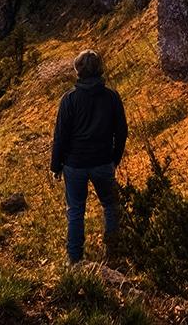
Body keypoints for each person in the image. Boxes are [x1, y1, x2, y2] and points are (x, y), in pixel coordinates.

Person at [50, 48, 128, 265]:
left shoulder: (70, 99)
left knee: (75, 210)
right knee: (111, 206)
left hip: (74, 164)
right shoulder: (111, 97)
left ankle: (74, 260)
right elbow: (121, 132)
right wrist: (115, 159)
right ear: (99, 70)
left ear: (78, 72)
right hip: (103, 161)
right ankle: (114, 253)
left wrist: (56, 165)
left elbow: (61, 136)